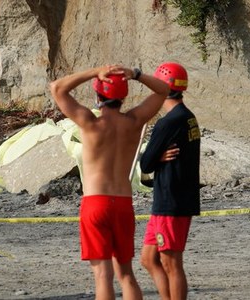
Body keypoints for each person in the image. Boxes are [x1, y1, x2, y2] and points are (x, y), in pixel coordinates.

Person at [50, 65, 170, 300]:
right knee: (126, 275)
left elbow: (57, 88)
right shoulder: (134, 121)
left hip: (96, 203)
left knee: (103, 276)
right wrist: (135, 74)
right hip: (123, 203)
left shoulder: (89, 122)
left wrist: (94, 71)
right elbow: (164, 89)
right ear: (123, 97)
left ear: (98, 95)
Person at [139, 62, 200, 300]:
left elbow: (145, 164)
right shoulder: (187, 117)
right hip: (170, 198)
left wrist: (156, 157)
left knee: (171, 262)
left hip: (171, 201)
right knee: (148, 258)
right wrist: (159, 157)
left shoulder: (169, 122)